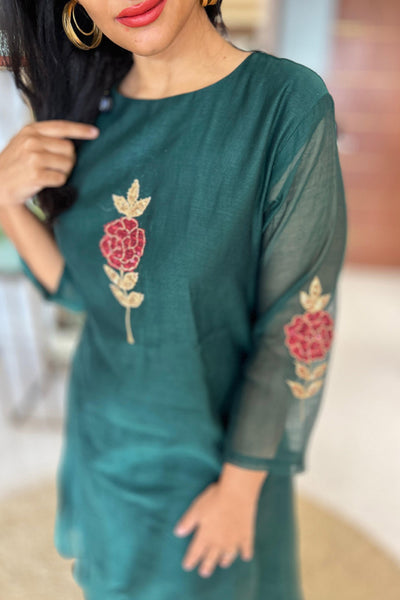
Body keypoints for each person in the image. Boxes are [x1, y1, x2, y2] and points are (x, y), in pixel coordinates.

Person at [0, 1, 348, 598]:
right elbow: (87, 297)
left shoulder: (283, 105)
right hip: (102, 449)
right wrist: (6, 202)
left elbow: (296, 326)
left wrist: (239, 491)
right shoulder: (87, 115)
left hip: (212, 464)